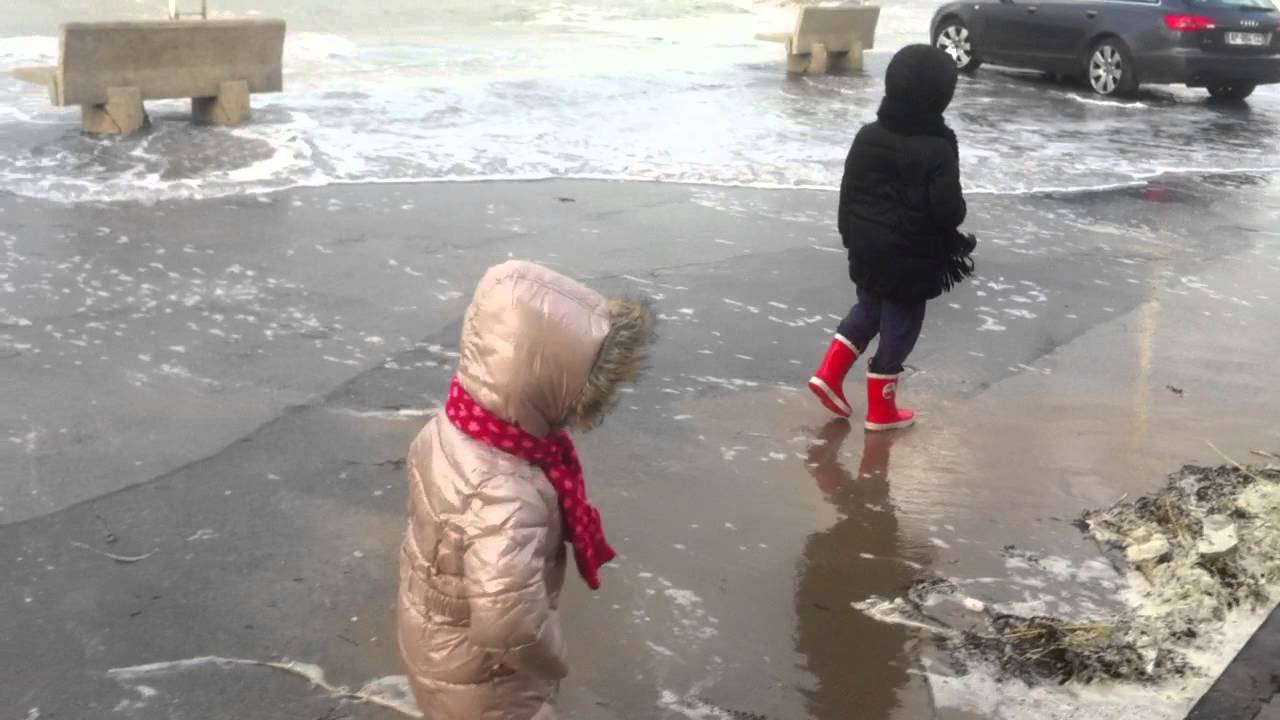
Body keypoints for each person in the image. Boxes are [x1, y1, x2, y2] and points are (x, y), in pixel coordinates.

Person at [397, 261, 656, 720]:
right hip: (489, 683)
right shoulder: (506, 495)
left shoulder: (453, 426)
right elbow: (509, 626)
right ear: (542, 379)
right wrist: (554, 662)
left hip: (433, 637)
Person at [809, 44, 976, 431]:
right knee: (902, 323)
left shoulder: (867, 136)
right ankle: (881, 411)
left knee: (868, 309)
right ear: (941, 97)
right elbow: (948, 210)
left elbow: (848, 193)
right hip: (910, 258)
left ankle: (829, 373)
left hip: (865, 247)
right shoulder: (938, 147)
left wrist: (850, 236)